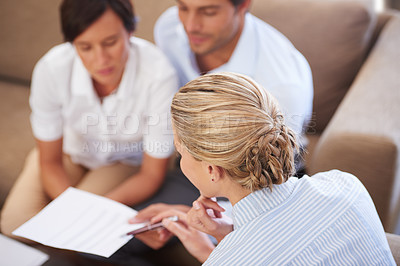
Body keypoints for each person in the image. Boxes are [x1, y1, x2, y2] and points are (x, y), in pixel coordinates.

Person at [0, 0, 200, 248]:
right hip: (68, 154)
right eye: (85, 47)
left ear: (130, 31)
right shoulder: (51, 69)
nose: (100, 59)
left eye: (110, 43)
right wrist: (73, 209)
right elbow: (49, 161)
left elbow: (152, 174)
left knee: (75, 234)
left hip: (123, 162)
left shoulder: (159, 74)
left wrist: (92, 214)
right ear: (72, 43)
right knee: (14, 226)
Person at [149, 72, 395, 265]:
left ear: (213, 170)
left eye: (180, 152)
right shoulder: (346, 187)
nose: (179, 159)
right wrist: (225, 240)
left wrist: (218, 255)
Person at [154, 0, 313, 148]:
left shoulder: (281, 84)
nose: (190, 26)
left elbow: (273, 165)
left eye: (209, 12)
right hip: (191, 150)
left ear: (243, 5)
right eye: (183, 8)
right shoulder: (169, 29)